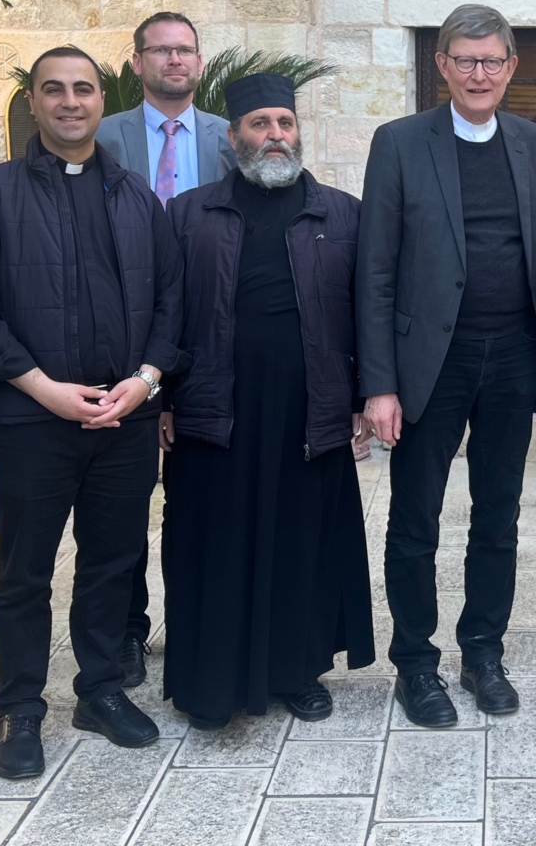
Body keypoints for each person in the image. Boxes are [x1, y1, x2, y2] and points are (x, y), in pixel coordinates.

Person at [0, 46, 184, 780]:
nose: (71, 102)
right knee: (26, 571)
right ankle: (20, 707)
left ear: (100, 101)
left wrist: (144, 381)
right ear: (35, 102)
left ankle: (101, 689)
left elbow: (173, 300)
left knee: (113, 562)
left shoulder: (136, 195)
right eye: (55, 90)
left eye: (84, 89)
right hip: (32, 421)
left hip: (124, 418)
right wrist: (40, 386)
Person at [357, 3, 536, 727]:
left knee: (499, 515)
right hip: (429, 362)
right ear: (441, 66)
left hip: (513, 356)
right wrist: (378, 383)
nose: (479, 73)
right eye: (465, 60)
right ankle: (416, 664)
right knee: (415, 517)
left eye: (493, 60)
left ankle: (483, 652)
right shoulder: (399, 143)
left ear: (511, 67)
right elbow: (375, 270)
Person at [161, 73, 375, 728]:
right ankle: (210, 680)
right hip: (215, 402)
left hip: (309, 404)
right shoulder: (189, 213)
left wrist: (366, 397)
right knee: (213, 540)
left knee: (303, 538)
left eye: (284, 123)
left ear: (298, 132)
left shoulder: (341, 212)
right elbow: (165, 312)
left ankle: (298, 669)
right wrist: (162, 398)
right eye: (260, 124)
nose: (274, 135)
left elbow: (367, 310)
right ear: (234, 137)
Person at [93, 11, 237, 689]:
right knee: (121, 504)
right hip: (122, 338)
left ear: (200, 63)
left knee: (196, 498)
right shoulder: (104, 138)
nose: (174, 61)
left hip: (206, 341)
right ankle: (125, 628)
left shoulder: (229, 138)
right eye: (161, 50)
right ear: (137, 60)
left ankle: (198, 621)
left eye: (186, 51)